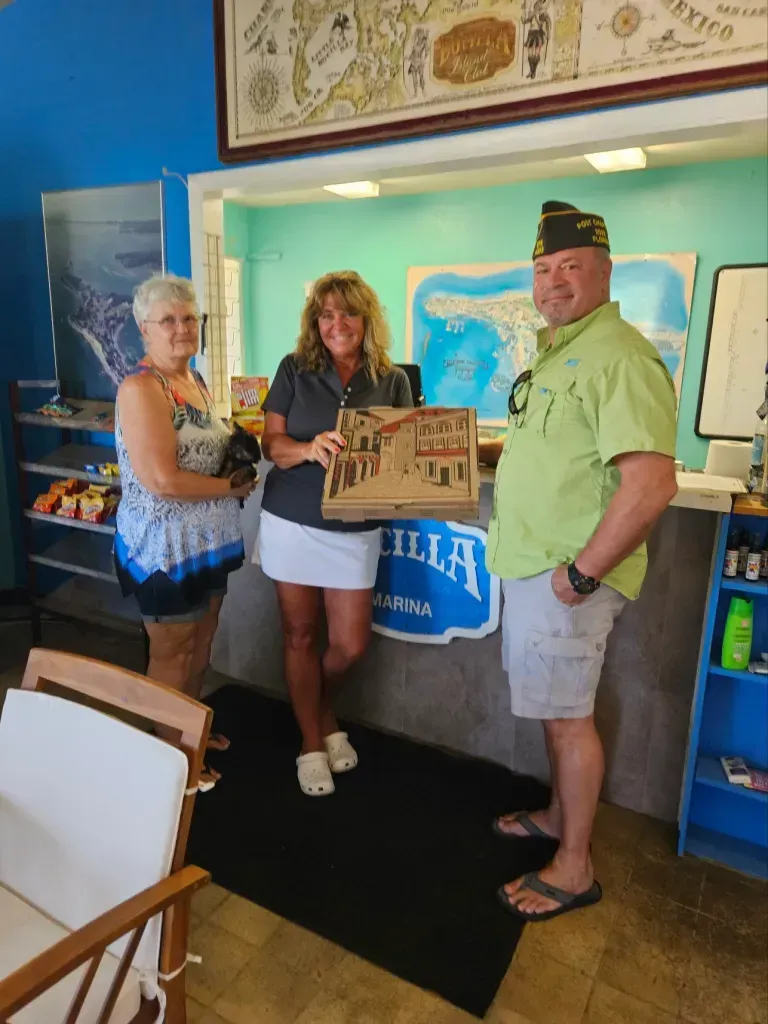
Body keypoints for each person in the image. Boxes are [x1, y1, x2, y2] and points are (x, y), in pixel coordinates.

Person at [481, 202, 678, 922]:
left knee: (568, 721)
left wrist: (582, 573)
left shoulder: (620, 355)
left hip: (566, 579)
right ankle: (561, 818)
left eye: (569, 267)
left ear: (603, 271)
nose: (554, 281)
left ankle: (573, 868)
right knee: (556, 709)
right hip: (534, 566)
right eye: (542, 269)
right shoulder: (560, 349)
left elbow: (652, 483)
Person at [257, 271, 413, 796]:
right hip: (291, 520)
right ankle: (309, 741)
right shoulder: (294, 369)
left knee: (349, 643)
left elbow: (405, 451)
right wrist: (306, 449)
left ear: (366, 318)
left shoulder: (392, 379)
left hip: (356, 527)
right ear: (314, 321)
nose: (336, 324)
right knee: (299, 635)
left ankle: (322, 711)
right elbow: (270, 445)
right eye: (326, 314)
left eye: (347, 312)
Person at [114, 274, 257, 788]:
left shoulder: (194, 381)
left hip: (209, 543)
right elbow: (162, 480)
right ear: (144, 329)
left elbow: (199, 452)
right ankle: (169, 757)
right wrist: (230, 488)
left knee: (202, 639)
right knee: (171, 651)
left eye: (189, 318)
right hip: (164, 550)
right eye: (168, 320)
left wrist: (238, 460)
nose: (181, 328)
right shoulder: (141, 389)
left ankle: (186, 732)